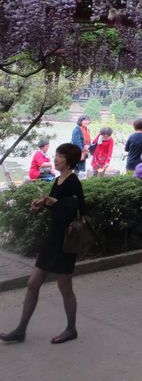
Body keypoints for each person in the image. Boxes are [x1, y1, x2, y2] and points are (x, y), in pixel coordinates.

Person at [0, 143, 85, 344]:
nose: (55, 158)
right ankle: (20, 330)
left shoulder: (73, 181)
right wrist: (43, 203)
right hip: (52, 238)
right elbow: (57, 207)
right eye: (56, 155)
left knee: (64, 285)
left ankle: (71, 329)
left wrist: (53, 202)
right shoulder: (58, 180)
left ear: (69, 161)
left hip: (66, 240)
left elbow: (78, 208)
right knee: (33, 284)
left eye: (60, 156)